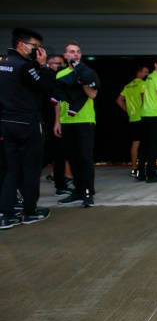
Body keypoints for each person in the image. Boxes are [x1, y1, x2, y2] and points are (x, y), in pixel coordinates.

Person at [0, 28, 54, 229]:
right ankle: (29, 211)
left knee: (10, 169)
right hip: (27, 124)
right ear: (21, 45)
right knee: (31, 169)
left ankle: (5, 214)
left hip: (6, 124)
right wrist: (43, 67)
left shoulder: (3, 64)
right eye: (35, 46)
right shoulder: (24, 67)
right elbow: (46, 87)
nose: (38, 50)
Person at [54, 42, 100, 208]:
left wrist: (82, 80)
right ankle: (78, 191)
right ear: (65, 56)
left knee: (85, 158)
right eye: (71, 52)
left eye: (78, 52)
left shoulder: (87, 72)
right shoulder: (60, 74)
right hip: (67, 122)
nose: (75, 54)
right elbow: (58, 100)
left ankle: (88, 193)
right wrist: (57, 121)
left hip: (84, 121)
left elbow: (93, 94)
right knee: (72, 159)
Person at [43, 54, 73, 196]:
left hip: (56, 120)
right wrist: (56, 121)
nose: (60, 66)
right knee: (46, 155)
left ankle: (60, 185)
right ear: (49, 63)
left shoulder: (57, 77)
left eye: (62, 64)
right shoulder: (48, 77)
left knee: (59, 155)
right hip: (48, 121)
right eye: (57, 63)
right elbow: (54, 101)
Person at [138, 58, 157, 183]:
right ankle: (151, 175)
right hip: (155, 115)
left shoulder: (148, 77)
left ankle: (141, 173)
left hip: (145, 114)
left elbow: (142, 95)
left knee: (145, 145)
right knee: (153, 146)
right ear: (155, 65)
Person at [116, 65, 148, 177]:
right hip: (143, 117)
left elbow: (119, 100)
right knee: (146, 144)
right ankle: (144, 168)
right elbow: (145, 99)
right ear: (139, 72)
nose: (146, 74)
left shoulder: (128, 86)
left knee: (135, 143)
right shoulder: (143, 84)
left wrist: (128, 111)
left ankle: (134, 168)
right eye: (145, 72)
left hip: (132, 118)